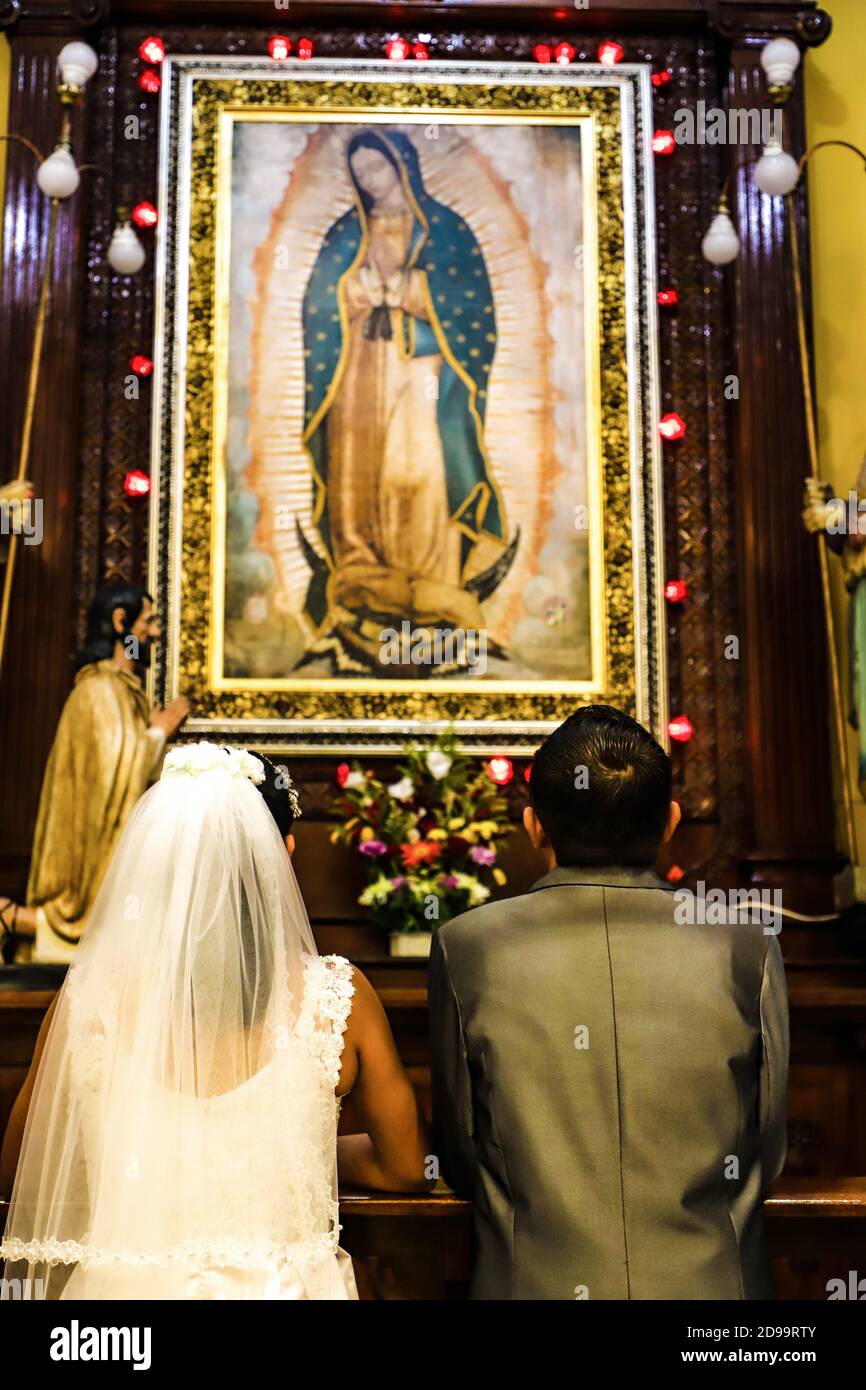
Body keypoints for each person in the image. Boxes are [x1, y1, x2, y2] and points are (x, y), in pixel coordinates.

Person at [0, 742, 430, 1299]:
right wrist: (300, 1155)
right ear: (285, 853)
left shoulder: (89, 998)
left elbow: (24, 1168)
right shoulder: (337, 998)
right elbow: (404, 1167)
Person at [428, 704, 789, 1300]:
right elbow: (766, 1142)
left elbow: (460, 1149)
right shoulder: (744, 943)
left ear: (534, 825)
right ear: (670, 821)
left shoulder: (468, 945)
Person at [299, 129, 509, 666]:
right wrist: (353, 292)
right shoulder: (349, 233)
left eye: (378, 169)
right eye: (361, 172)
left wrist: (413, 292)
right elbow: (320, 305)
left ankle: (429, 582)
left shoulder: (444, 232)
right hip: (359, 374)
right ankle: (362, 575)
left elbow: (473, 308)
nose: (370, 181)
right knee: (356, 477)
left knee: (414, 475)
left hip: (422, 372)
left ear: (402, 166)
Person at [0, 583, 189, 963]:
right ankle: (11, 917)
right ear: (121, 622)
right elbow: (114, 771)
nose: (154, 633)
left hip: (111, 823)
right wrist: (157, 734)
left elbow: (124, 761)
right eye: (148, 622)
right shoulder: (100, 689)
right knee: (91, 920)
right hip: (91, 835)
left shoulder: (122, 689)